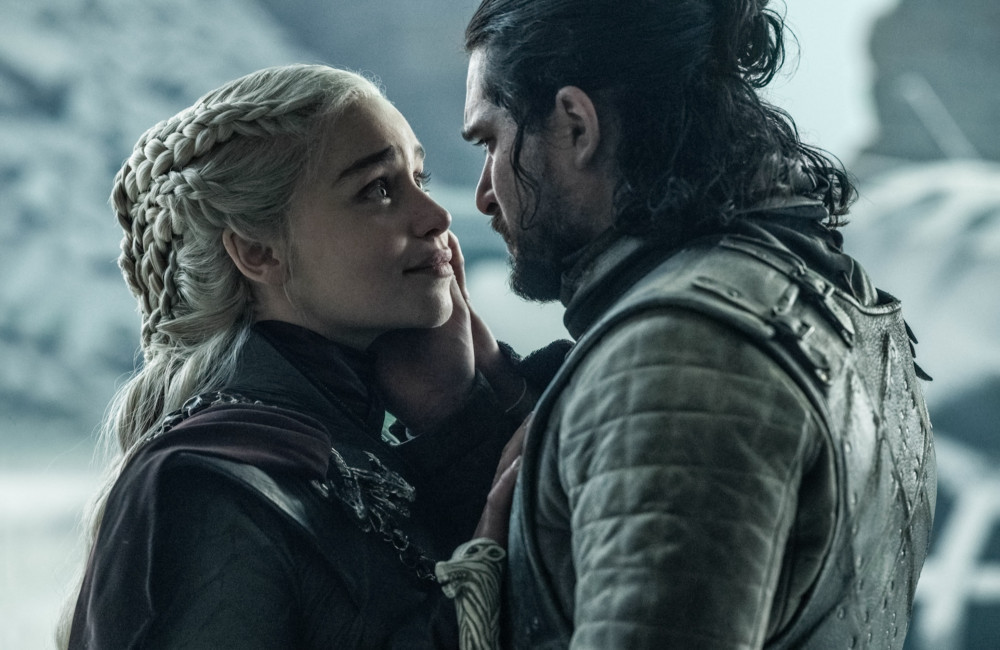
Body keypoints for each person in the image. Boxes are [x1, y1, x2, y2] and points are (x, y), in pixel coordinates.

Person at [451, 0, 938, 648]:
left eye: (490, 141)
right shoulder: (835, 302)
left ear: (575, 126)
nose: (484, 194)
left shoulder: (672, 357)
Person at [60, 64, 528, 649]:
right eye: (378, 189)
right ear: (257, 251)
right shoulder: (206, 485)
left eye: (418, 177)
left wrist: (460, 415)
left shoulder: (356, 445)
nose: (437, 217)